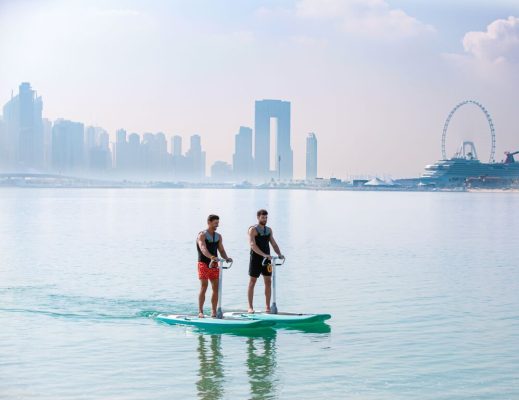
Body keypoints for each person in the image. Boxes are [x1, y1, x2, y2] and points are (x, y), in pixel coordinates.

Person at [248, 209, 284, 313]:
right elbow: (252, 245)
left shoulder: (268, 230)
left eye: (266, 217)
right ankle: (250, 307)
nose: (265, 219)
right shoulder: (253, 229)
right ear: (258, 217)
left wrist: (279, 254)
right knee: (252, 281)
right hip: (256, 259)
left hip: (267, 260)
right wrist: (264, 255)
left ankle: (268, 307)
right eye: (263, 217)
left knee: (268, 281)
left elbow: (274, 244)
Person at [196, 214, 232, 318]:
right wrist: (211, 257)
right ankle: (200, 311)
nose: (217, 225)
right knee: (204, 286)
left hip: (214, 264)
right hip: (203, 263)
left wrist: (226, 258)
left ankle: (213, 311)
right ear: (209, 222)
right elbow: (203, 248)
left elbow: (221, 250)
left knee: (216, 288)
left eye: (218, 223)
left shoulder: (218, 236)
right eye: (215, 223)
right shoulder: (202, 235)